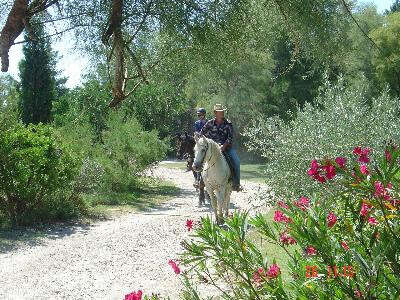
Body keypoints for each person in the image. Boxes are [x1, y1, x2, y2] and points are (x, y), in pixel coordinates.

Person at [200, 104, 242, 192]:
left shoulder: (228, 123)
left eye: (223, 111)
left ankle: (236, 183)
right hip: (212, 148)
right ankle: (201, 181)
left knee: (236, 161)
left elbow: (230, 138)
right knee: (201, 158)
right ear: (215, 113)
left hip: (226, 148)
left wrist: (223, 146)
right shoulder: (210, 123)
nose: (222, 113)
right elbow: (202, 133)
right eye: (220, 112)